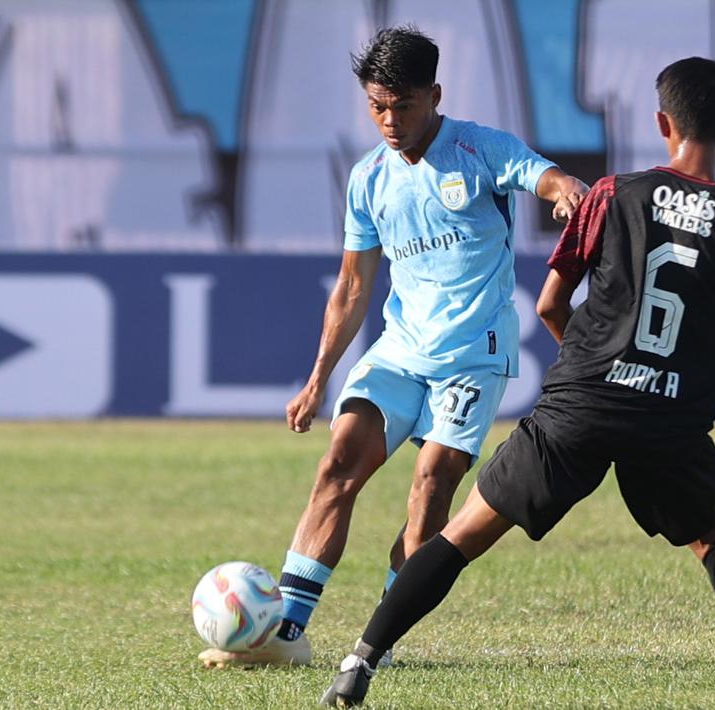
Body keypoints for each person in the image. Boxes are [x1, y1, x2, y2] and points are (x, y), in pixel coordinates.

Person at [321, 57, 715, 709]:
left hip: (579, 406)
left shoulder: (611, 195)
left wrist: (586, 369)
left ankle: (358, 665)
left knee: (461, 534)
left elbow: (551, 304)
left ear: (661, 123)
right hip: (666, 419)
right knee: (709, 538)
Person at [198, 26, 588, 668]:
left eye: (402, 106)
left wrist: (566, 190)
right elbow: (352, 286)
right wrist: (318, 375)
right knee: (336, 465)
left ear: (434, 95)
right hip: (400, 353)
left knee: (430, 489)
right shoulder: (368, 179)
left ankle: (375, 643)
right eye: (377, 106)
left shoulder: (479, 149)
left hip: (473, 358)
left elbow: (541, 176)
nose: (389, 120)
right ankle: (287, 638)